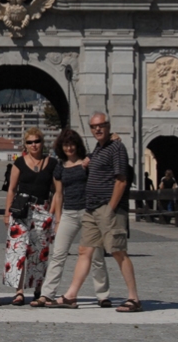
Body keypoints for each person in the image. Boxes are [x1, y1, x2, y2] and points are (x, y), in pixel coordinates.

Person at [57, 113, 141, 312]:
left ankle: (134, 298)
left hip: (107, 208)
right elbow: (95, 163)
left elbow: (121, 180)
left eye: (101, 125)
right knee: (84, 251)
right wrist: (88, 160)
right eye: (94, 126)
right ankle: (71, 295)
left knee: (118, 251)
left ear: (108, 126)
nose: (98, 129)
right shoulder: (100, 148)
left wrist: (111, 208)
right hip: (92, 208)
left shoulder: (117, 148)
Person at [32, 129, 111, 309]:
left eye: (72, 144)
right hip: (68, 214)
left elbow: (105, 146)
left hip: (89, 213)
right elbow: (58, 195)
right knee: (58, 254)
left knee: (97, 255)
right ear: (61, 147)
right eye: (66, 144)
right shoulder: (60, 167)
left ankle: (102, 295)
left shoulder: (88, 162)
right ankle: (47, 294)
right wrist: (58, 220)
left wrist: (112, 137)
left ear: (78, 145)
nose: (69, 147)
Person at [3, 127, 57, 305]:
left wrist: (54, 213)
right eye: (30, 142)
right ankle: (18, 291)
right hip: (21, 210)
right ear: (25, 144)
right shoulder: (19, 163)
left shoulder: (52, 163)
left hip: (42, 210)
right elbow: (11, 189)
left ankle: (38, 288)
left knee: (39, 252)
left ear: (43, 142)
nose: (34, 145)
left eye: (37, 141)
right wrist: (6, 212)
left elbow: (57, 192)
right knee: (17, 251)